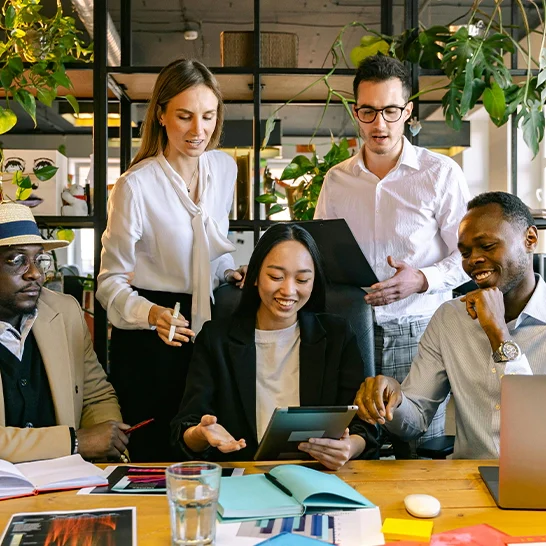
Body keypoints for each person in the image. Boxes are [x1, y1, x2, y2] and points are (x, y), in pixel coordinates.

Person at [314, 54, 470, 457]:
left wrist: (421, 278)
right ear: (356, 112)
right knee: (353, 445)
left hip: (420, 330)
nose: (379, 124)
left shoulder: (440, 173)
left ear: (408, 111)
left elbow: (467, 257)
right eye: (368, 111)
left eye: (390, 110)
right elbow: (316, 251)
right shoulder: (337, 179)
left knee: (417, 446)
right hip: (353, 331)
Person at [97, 58, 245, 461]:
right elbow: (108, 282)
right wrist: (151, 314)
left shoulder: (225, 168)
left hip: (207, 331)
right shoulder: (135, 185)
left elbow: (209, 254)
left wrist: (229, 272)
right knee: (153, 456)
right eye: (184, 116)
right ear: (161, 114)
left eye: (208, 116)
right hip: (151, 336)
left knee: (209, 444)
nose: (199, 131)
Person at [355, 192, 546, 459]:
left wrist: (498, 334)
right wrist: (394, 400)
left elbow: (535, 427)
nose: (473, 260)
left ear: (530, 239)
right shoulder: (450, 319)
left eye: (487, 246)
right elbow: (416, 419)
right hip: (469, 484)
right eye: (465, 253)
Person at [171, 224, 379, 469]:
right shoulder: (216, 339)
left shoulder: (337, 335)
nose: (288, 290)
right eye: (276, 277)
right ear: (255, 276)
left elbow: (364, 423)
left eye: (302, 279)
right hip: (243, 478)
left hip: (319, 475)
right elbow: (185, 430)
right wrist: (201, 434)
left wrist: (349, 447)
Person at [0, 202, 129, 463]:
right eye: (17, 260)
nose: (35, 274)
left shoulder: (65, 311)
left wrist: (111, 446)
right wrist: (76, 442)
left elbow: (95, 396)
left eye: (39, 259)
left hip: (67, 483)